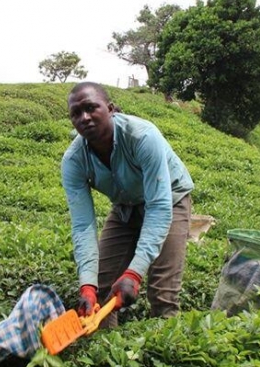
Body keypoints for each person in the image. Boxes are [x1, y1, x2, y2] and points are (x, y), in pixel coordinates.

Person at [60, 82, 194, 327]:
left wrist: (134, 273)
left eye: (91, 108)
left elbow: (158, 206)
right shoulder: (73, 160)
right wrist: (87, 284)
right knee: (100, 290)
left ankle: (165, 350)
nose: (85, 118)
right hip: (125, 207)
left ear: (110, 109)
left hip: (170, 200)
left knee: (162, 293)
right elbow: (82, 226)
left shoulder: (142, 136)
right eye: (76, 114)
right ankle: (107, 350)